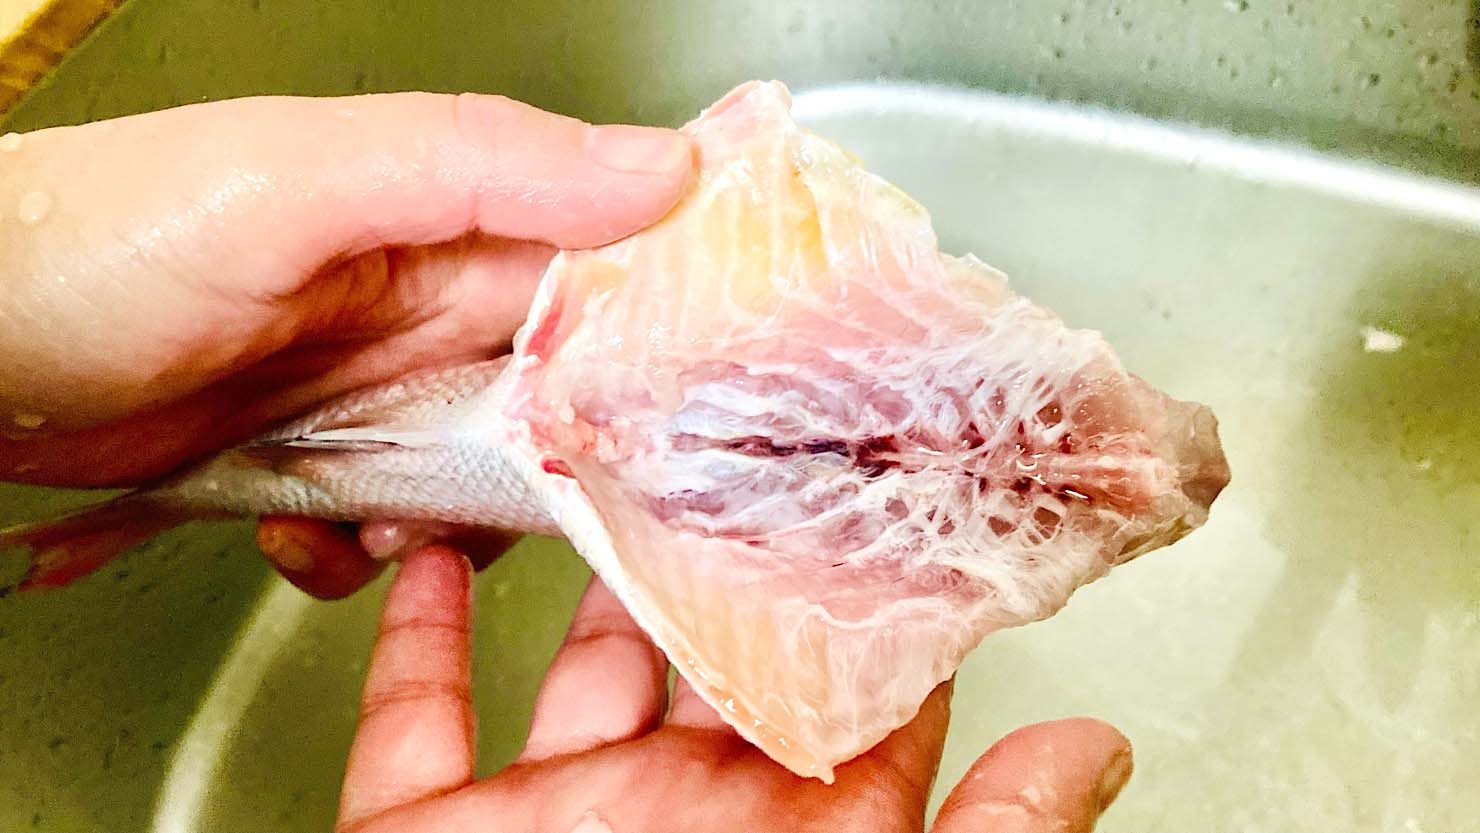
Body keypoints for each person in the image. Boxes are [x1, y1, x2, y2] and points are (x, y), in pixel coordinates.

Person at [0, 92, 1133, 832]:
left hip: (515, 429)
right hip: (508, 408)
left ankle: (149, 501)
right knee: (277, 479)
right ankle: (152, 501)